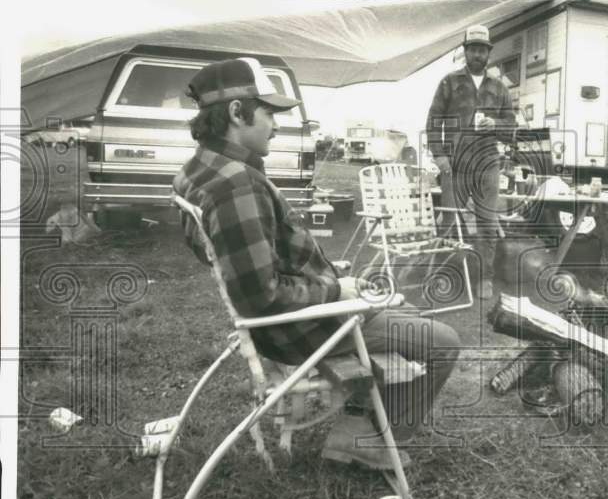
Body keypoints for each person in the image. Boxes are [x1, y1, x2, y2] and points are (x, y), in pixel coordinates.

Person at [173, 56, 460, 468]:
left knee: (403, 308)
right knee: (444, 341)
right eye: (268, 113)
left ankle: (358, 422)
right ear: (237, 113)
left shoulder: (198, 169)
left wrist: (329, 279)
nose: (276, 124)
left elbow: (238, 267)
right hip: (298, 329)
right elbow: (261, 297)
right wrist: (335, 290)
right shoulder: (236, 185)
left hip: (290, 320)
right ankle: (371, 440)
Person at [426, 25, 516, 300]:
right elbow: (433, 122)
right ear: (465, 52)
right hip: (455, 164)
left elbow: (512, 127)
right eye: (472, 49)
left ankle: (484, 278)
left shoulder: (500, 88)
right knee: (450, 222)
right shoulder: (449, 82)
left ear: (488, 54)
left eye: (482, 50)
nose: (477, 54)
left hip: (488, 164)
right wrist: (440, 156)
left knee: (487, 222)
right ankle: (447, 276)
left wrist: (496, 123)